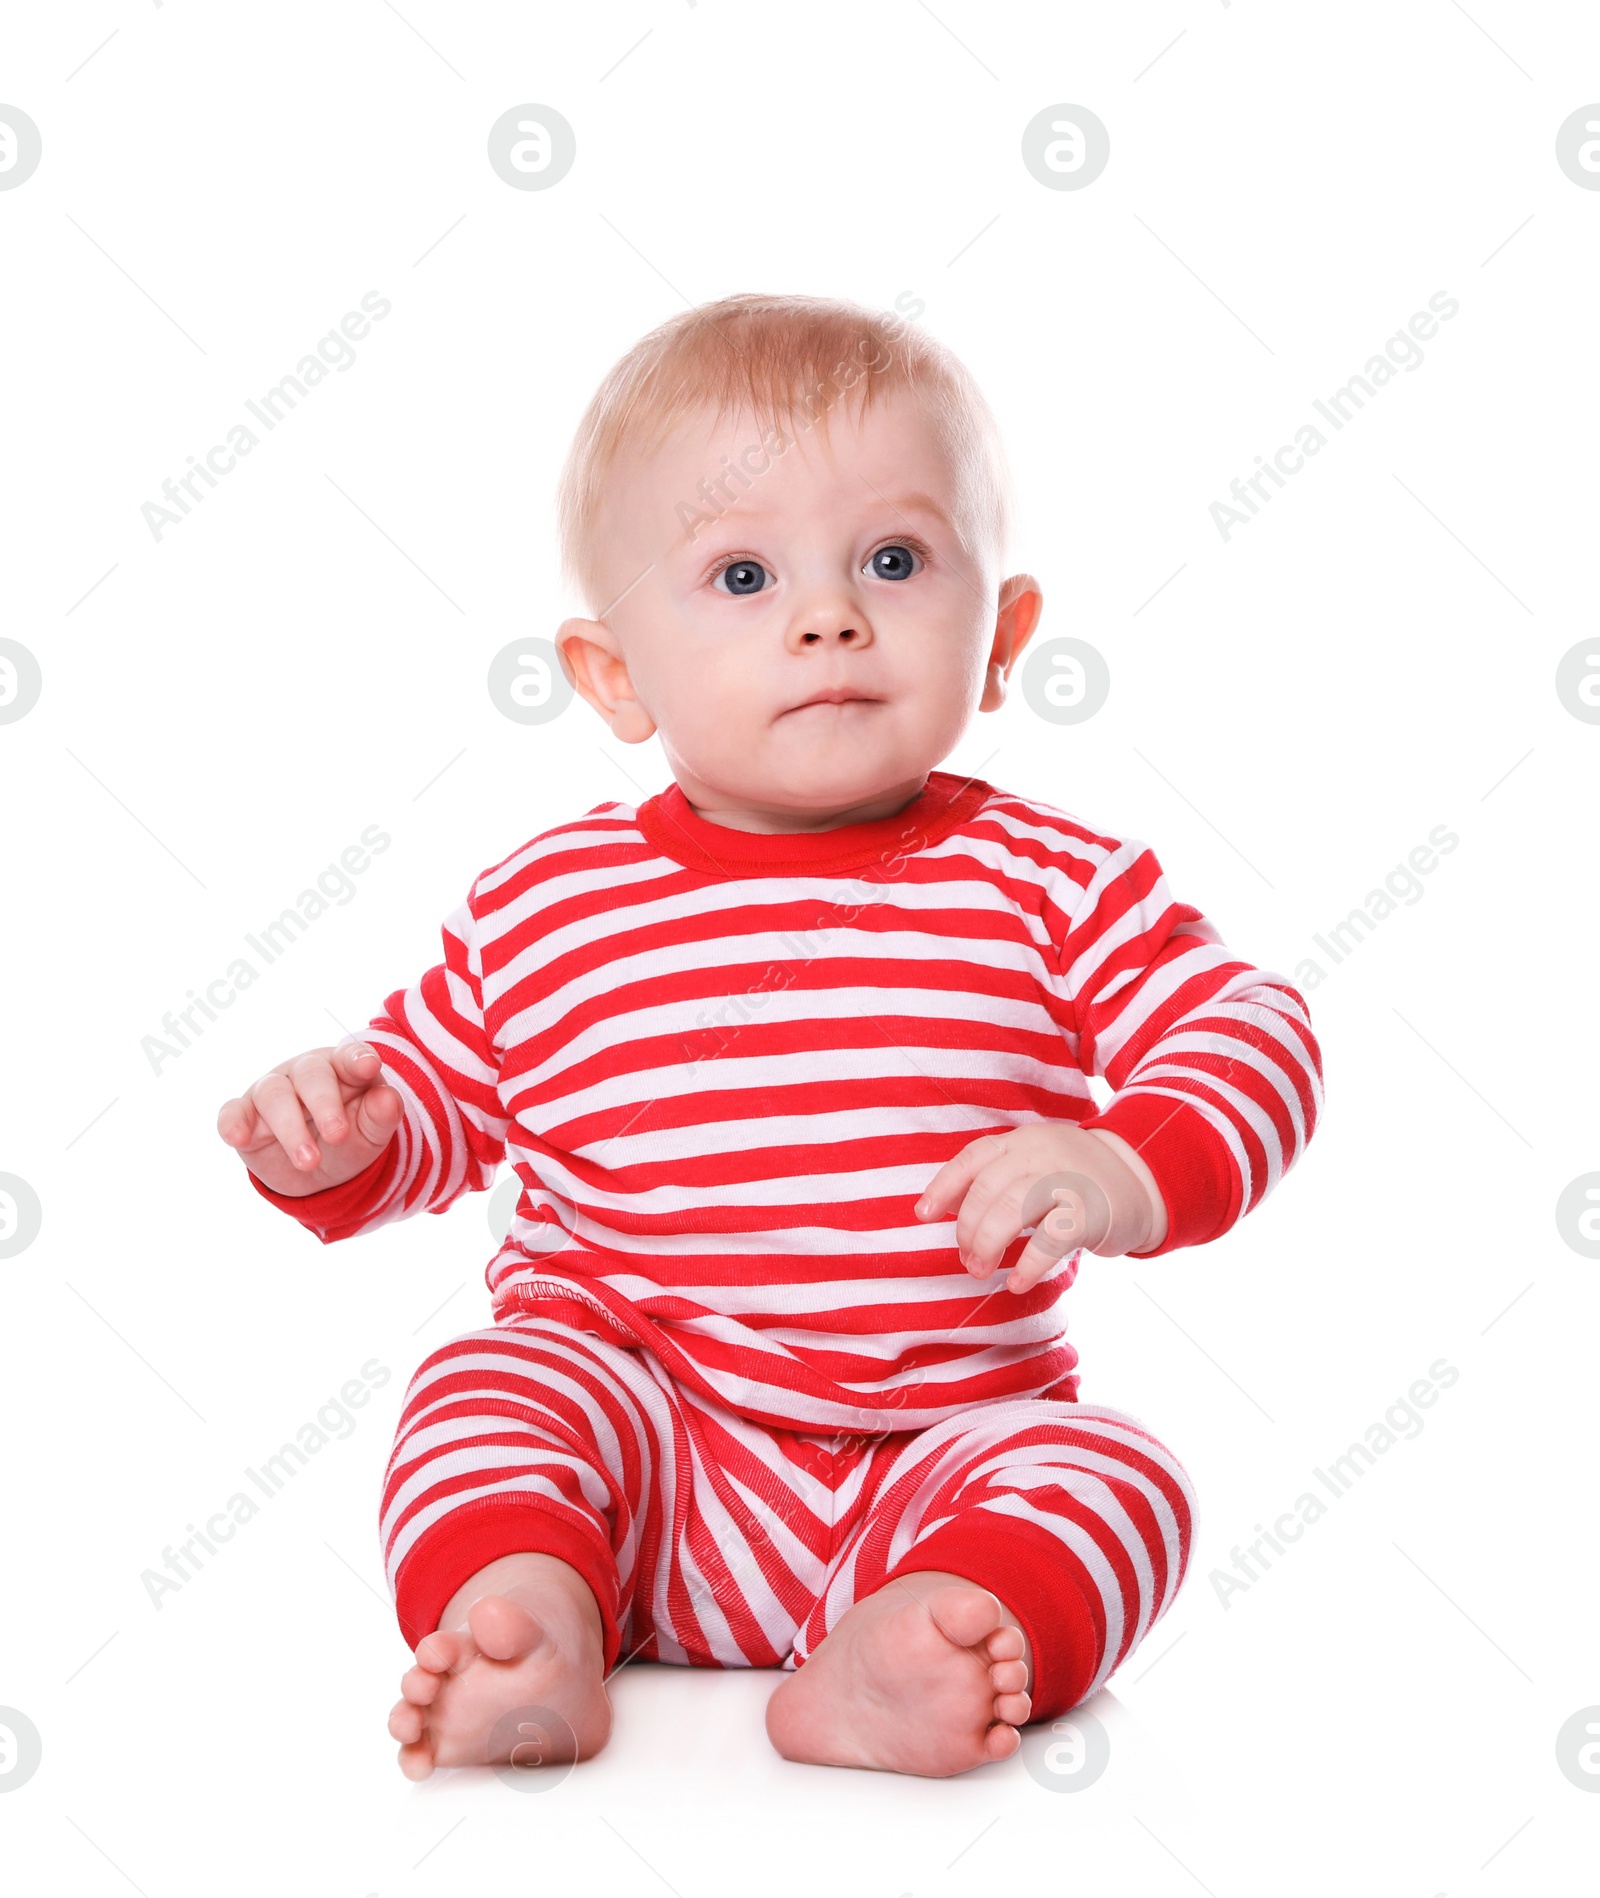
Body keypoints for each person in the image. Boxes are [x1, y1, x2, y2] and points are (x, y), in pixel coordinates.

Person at [217, 293, 1322, 1780]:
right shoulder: (546, 903)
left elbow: (1246, 1020)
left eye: (894, 559)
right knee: (486, 1390)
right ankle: (523, 1608)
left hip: (946, 1450)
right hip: (642, 1448)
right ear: (616, 676)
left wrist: (1131, 1160)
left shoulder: (1052, 884)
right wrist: (340, 1132)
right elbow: (430, 1102)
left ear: (1002, 638)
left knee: (1123, 1478)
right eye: (742, 574)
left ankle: (928, 1636)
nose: (829, 616)